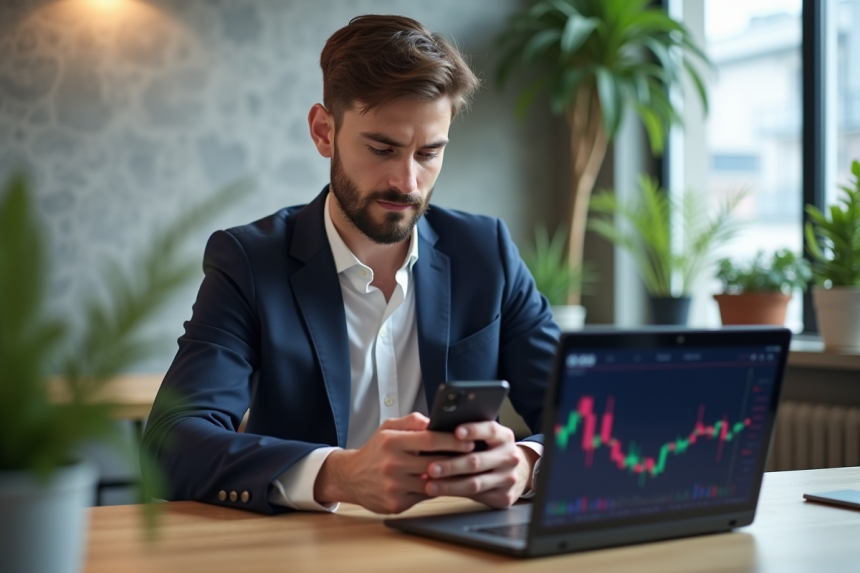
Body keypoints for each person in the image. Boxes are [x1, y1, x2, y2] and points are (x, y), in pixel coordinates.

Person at [141, 14, 560, 515]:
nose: (407, 182)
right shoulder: (249, 263)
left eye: (429, 153)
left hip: (461, 543)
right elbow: (170, 443)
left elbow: (590, 415)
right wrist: (338, 474)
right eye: (382, 148)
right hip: (308, 551)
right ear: (324, 132)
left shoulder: (484, 252)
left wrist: (529, 462)